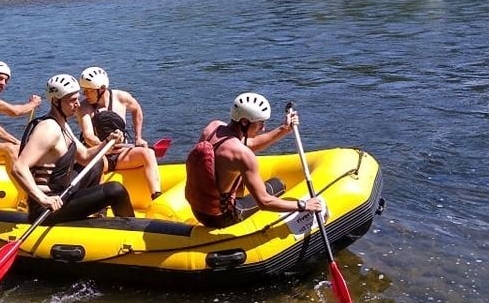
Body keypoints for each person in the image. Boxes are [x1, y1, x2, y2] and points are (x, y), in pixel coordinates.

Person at [185, 92, 322, 228]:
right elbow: (264, 202)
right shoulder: (243, 155)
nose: (263, 128)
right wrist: (303, 205)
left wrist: (284, 129)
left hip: (198, 210)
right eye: (260, 123)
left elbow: (246, 144)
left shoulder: (213, 127)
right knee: (277, 185)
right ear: (244, 122)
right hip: (221, 217)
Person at [12, 74, 135, 224]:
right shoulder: (48, 129)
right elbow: (19, 167)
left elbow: (85, 156)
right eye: (72, 100)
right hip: (48, 208)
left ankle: (93, 214)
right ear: (56, 101)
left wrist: (108, 141)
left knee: (97, 164)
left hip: (62, 193)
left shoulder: (62, 124)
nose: (77, 104)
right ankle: (131, 228)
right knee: (115, 190)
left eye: (77, 99)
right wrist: (43, 198)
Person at [76, 66, 162, 200]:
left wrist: (138, 137)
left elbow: (136, 110)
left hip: (121, 153)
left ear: (102, 89)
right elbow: (88, 136)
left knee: (148, 153)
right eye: (84, 90)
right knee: (97, 163)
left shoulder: (121, 97)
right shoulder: (84, 108)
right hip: (100, 155)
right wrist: (104, 147)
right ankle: (100, 209)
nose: (84, 94)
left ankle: (156, 196)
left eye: (89, 90)